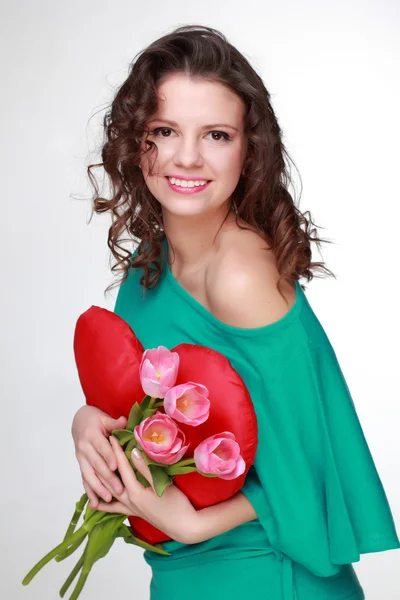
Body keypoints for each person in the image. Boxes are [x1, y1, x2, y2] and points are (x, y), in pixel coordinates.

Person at [71, 24, 399, 600]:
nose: (188, 157)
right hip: (183, 574)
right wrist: (90, 423)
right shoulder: (149, 264)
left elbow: (310, 466)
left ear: (249, 149)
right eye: (164, 131)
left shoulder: (240, 273)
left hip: (269, 575)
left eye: (217, 135)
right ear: (134, 141)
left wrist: (193, 523)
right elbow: (155, 406)